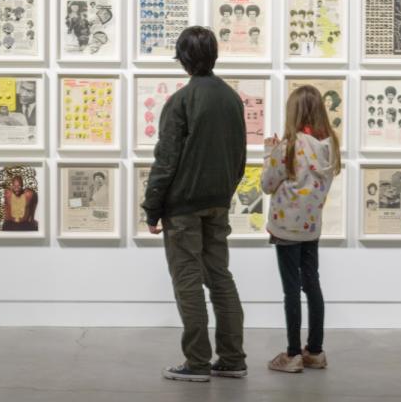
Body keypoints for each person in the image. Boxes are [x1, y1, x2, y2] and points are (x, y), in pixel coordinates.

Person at [141, 26, 249, 383]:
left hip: (184, 207)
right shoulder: (232, 99)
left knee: (187, 281)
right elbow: (239, 158)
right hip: (218, 203)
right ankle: (233, 359)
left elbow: (166, 161)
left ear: (183, 59)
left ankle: (198, 362)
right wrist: (225, 192)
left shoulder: (181, 101)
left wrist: (152, 208)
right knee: (220, 278)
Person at [259, 85, 342, 374]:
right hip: (311, 227)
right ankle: (315, 351)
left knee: (291, 290)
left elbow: (267, 184)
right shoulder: (330, 144)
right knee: (312, 285)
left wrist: (269, 152)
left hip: (285, 227)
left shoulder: (290, 145)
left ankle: (293, 354)